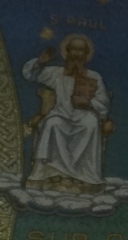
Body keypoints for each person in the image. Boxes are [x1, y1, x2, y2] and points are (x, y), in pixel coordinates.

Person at [22, 34, 110, 192]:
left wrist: (88, 103)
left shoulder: (94, 76)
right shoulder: (56, 73)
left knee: (91, 123)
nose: (76, 54)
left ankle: (85, 177)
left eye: (81, 50)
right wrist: (40, 62)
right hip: (60, 114)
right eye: (73, 50)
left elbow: (103, 101)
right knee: (52, 124)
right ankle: (49, 174)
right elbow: (29, 74)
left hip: (84, 114)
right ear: (67, 52)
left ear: (86, 54)